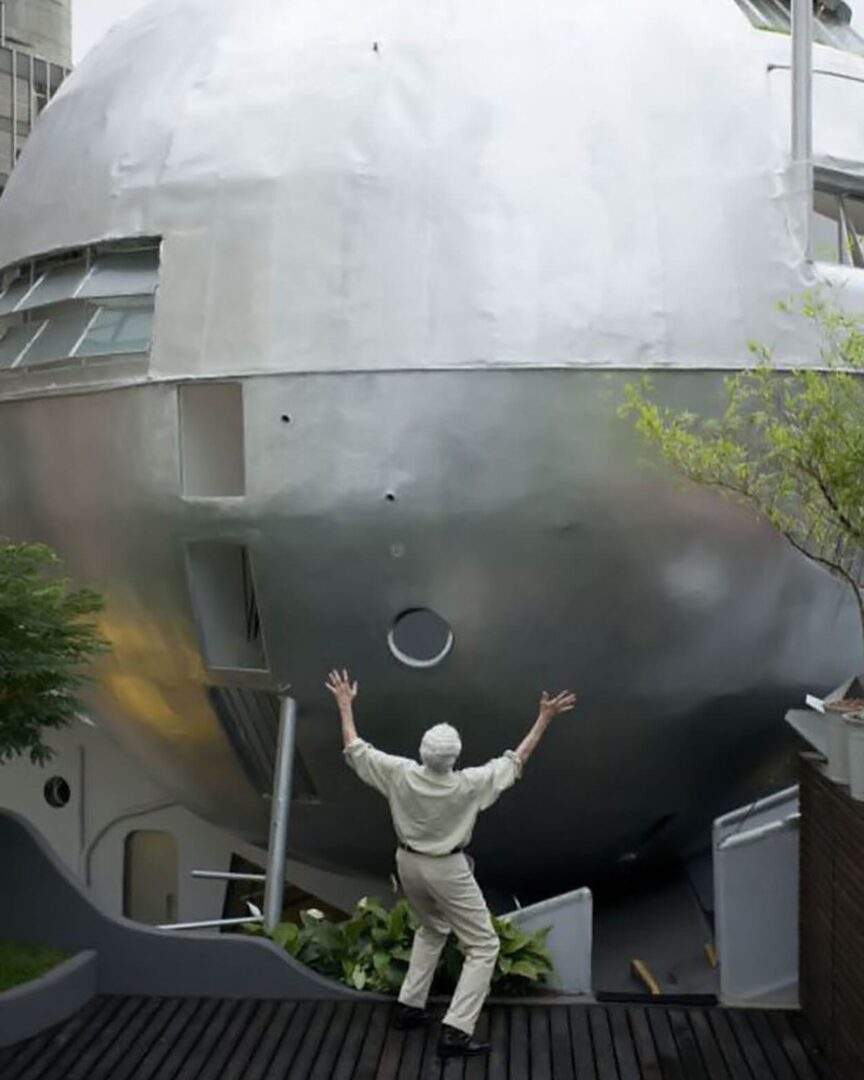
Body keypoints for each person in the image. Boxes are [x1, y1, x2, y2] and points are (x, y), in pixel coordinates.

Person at [325, 668, 577, 1058]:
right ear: (454, 757)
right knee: (484, 945)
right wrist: (544, 718)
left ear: (422, 750)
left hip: (407, 863)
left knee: (432, 928)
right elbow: (515, 760)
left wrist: (345, 703)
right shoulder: (468, 784)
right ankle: (456, 1030)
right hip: (447, 869)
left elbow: (354, 748)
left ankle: (409, 1008)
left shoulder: (399, 774)